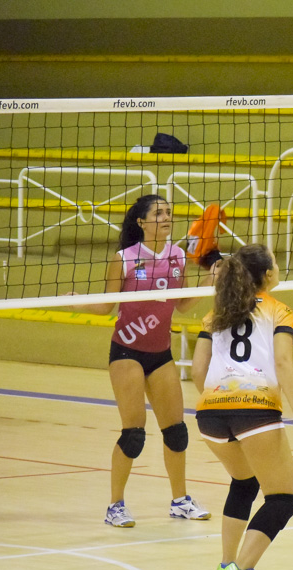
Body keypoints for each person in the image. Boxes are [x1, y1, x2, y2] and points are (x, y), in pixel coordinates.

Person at [71, 193, 211, 527]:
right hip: (127, 352)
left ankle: (180, 500)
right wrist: (76, 302)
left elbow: (182, 304)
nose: (166, 217)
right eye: (159, 213)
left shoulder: (178, 255)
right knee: (134, 434)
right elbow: (107, 306)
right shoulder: (124, 258)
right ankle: (115, 505)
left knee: (176, 432)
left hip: (160, 354)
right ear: (141, 221)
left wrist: (210, 280)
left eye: (169, 213)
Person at [191, 243, 293, 570]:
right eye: (276, 263)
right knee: (282, 499)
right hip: (256, 409)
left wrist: (219, 399)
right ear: (268, 275)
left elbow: (198, 369)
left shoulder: (216, 314)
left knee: (244, 482)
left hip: (210, 413)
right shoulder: (280, 311)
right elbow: (283, 362)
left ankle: (227, 565)